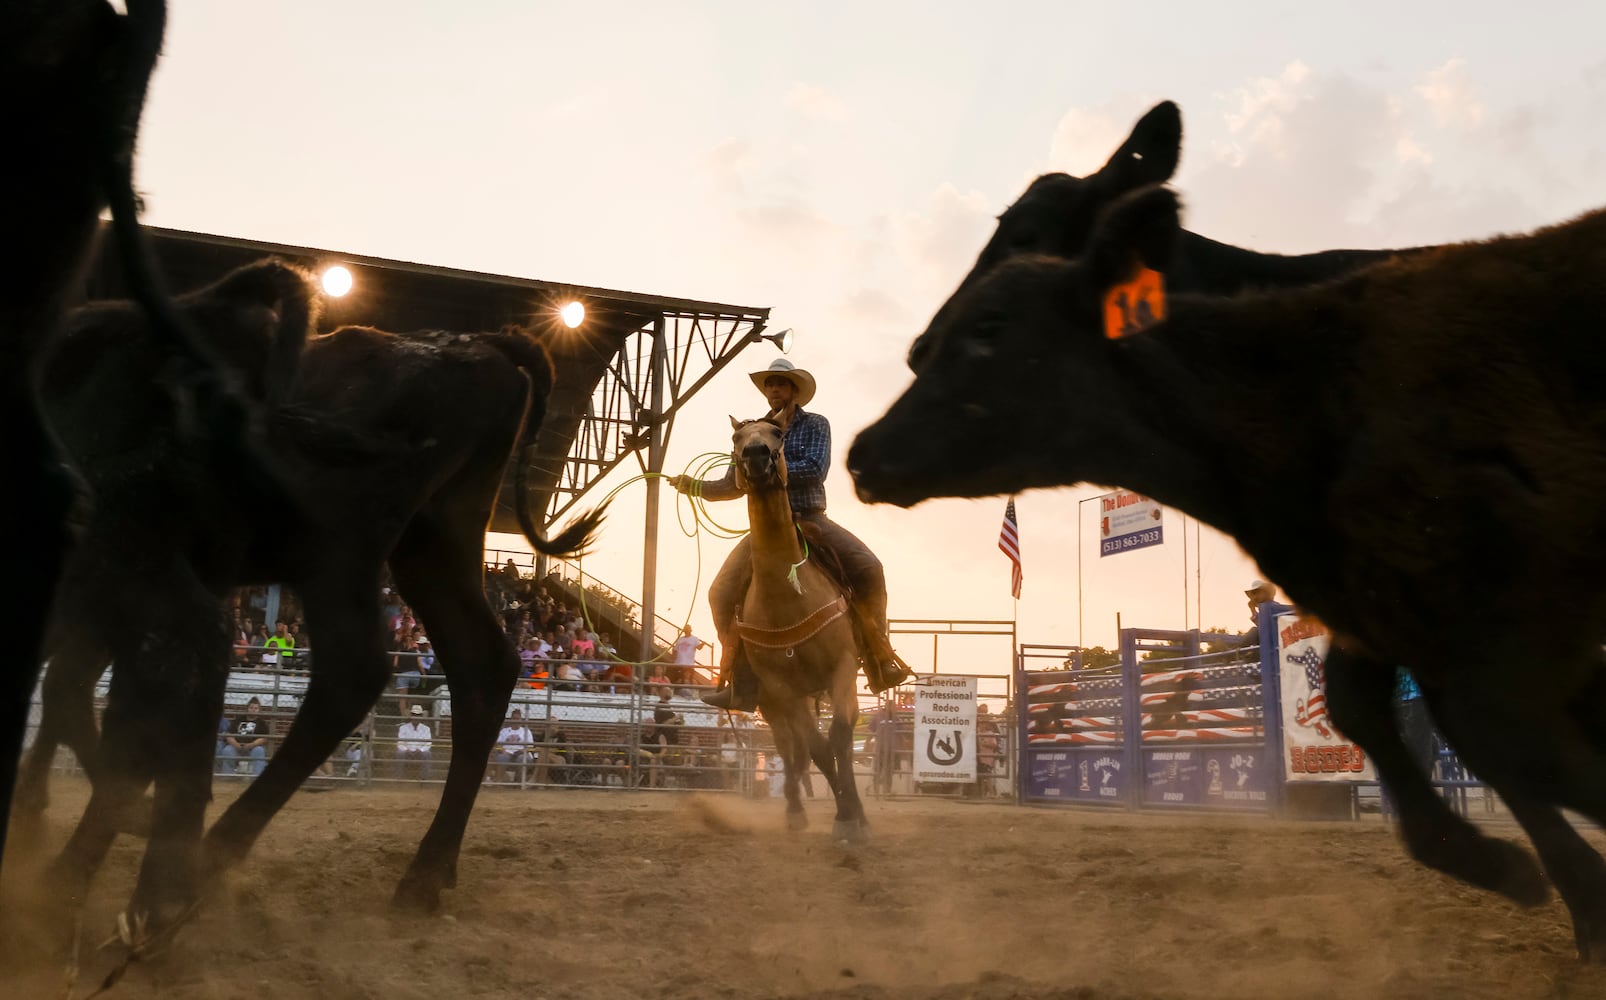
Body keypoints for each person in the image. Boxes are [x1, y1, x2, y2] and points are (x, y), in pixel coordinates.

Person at [669, 358, 912, 710]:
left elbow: (816, 469)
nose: (774, 390)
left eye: (781, 384)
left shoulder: (815, 425)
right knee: (720, 592)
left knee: (869, 567)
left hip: (811, 519)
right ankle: (739, 677)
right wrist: (695, 487)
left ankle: (880, 657)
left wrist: (766, 465)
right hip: (767, 529)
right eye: (770, 385)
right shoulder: (753, 434)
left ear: (794, 391)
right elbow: (730, 484)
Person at [219, 696, 270, 776]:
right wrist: (237, 745)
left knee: (259, 750)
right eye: (251, 707)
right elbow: (229, 735)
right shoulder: (238, 719)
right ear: (247, 708)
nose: (253, 710)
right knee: (227, 750)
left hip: (253, 747)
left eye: (256, 708)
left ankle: (256, 778)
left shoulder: (261, 723)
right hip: (236, 746)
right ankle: (227, 778)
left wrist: (251, 745)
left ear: (259, 710)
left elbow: (264, 738)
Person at [493, 709, 535, 783]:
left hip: (522, 753)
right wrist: (503, 751)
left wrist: (522, 751)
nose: (516, 721)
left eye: (518, 718)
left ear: (521, 720)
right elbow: (498, 744)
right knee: (502, 757)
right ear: (511, 719)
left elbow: (530, 746)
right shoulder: (504, 731)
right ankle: (498, 781)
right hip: (506, 752)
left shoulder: (526, 731)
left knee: (521, 758)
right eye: (514, 718)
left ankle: (518, 782)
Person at [396, 704, 433, 780]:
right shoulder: (403, 728)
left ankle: (424, 778)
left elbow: (428, 743)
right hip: (406, 751)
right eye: (414, 714)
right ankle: (399, 778)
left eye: (418, 715)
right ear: (411, 716)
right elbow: (400, 742)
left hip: (420, 752)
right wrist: (406, 750)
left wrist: (421, 750)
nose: (416, 717)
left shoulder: (426, 729)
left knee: (427, 753)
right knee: (400, 753)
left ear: (421, 716)